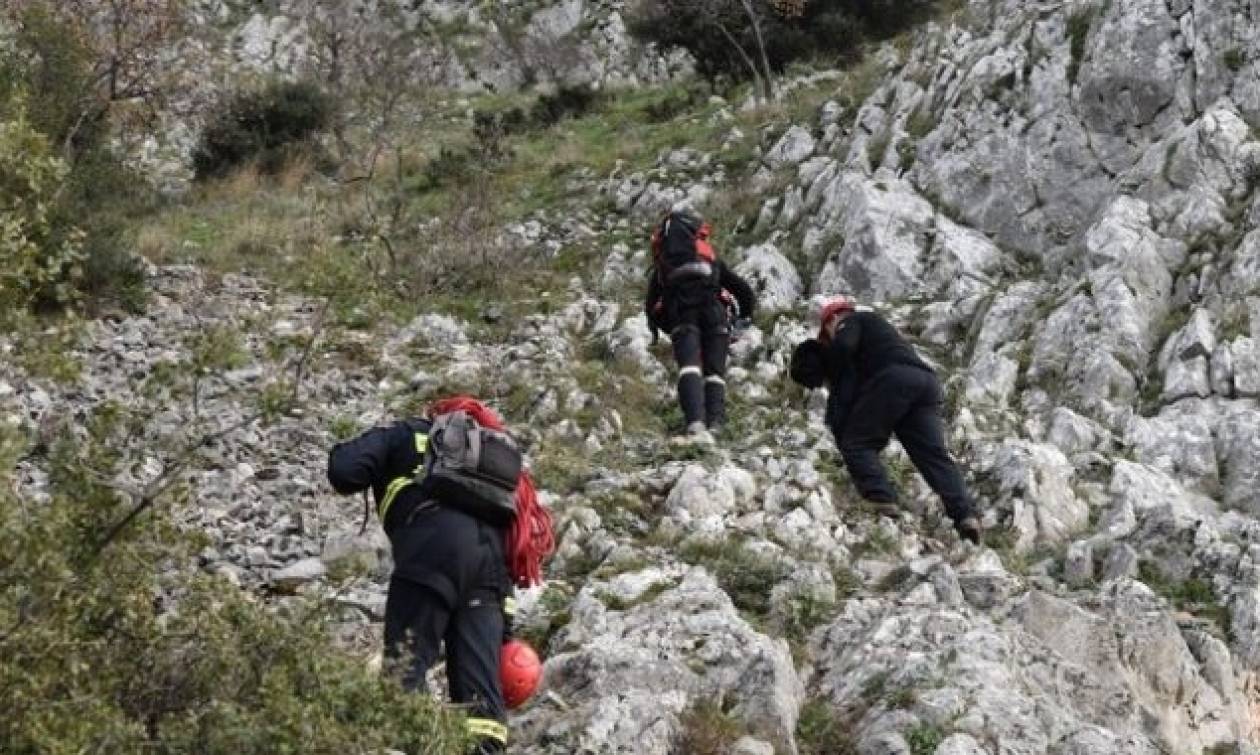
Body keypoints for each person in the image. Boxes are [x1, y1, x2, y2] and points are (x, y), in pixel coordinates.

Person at [327, 396, 553, 754]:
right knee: (483, 709)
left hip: (432, 549)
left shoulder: (404, 433)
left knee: (405, 672)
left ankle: (408, 742)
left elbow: (344, 472)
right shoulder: (487, 472)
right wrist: (502, 632)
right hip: (491, 567)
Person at [790, 297, 981, 543]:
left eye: (828, 333)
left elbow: (844, 347)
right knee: (933, 455)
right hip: (926, 384)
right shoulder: (881, 338)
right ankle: (965, 515)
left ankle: (881, 499)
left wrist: (835, 375)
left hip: (894, 379)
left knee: (856, 442)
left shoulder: (852, 321)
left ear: (832, 320)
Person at [645, 209, 757, 438]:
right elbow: (744, 291)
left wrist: (665, 329)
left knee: (689, 367)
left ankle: (695, 424)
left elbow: (650, 308)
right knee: (714, 373)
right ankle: (716, 424)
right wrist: (743, 319)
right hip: (714, 314)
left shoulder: (663, 265)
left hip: (682, 316)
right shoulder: (709, 257)